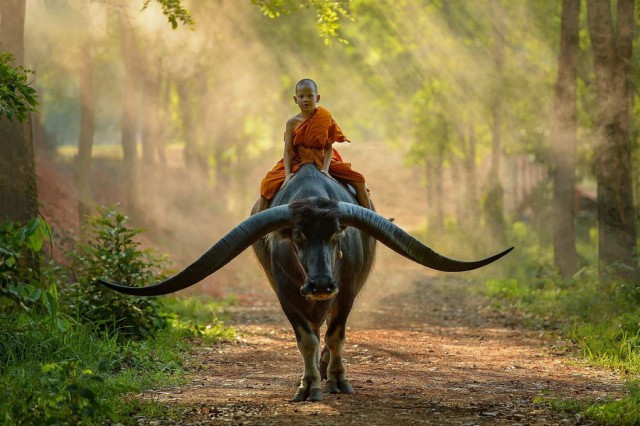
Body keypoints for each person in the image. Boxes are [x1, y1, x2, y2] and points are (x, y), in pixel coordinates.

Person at [257, 79, 370, 211]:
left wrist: (326, 170)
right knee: (267, 184)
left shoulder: (324, 118)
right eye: (301, 96)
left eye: (310, 96)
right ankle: (257, 227)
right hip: (296, 160)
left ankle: (373, 222)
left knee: (359, 180)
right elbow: (287, 151)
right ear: (295, 99)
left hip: (321, 159)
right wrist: (287, 175)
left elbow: (328, 148)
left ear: (317, 98)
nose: (306, 99)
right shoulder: (291, 123)